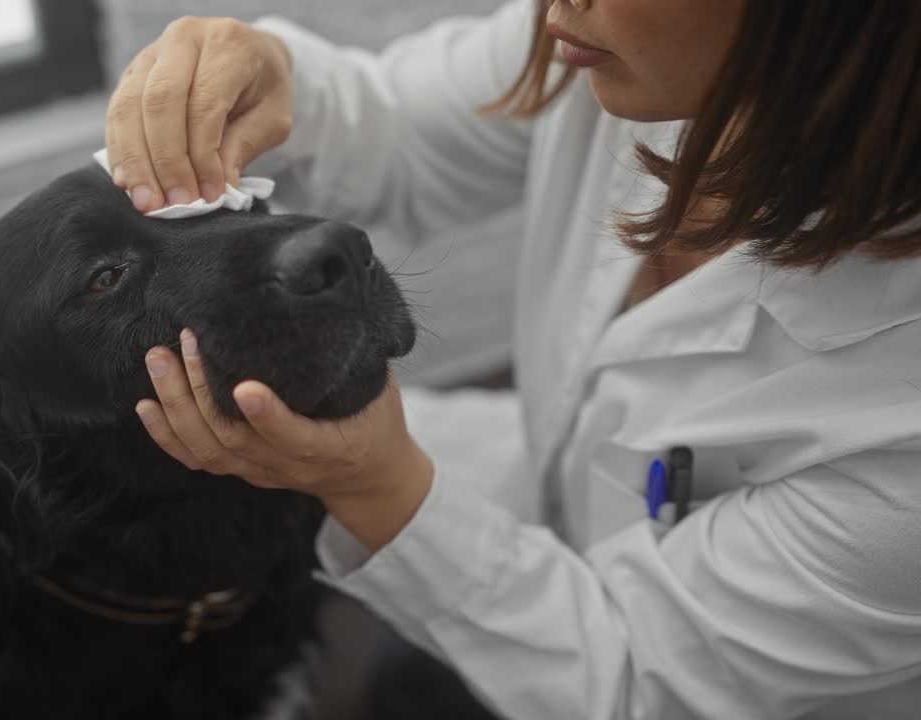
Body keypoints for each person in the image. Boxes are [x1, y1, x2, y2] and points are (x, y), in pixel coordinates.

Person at [104, 0, 921, 717]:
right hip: (558, 520)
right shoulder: (631, 47)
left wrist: (377, 486)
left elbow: (635, 683)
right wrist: (273, 81)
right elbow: (399, 126)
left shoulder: (898, 421)